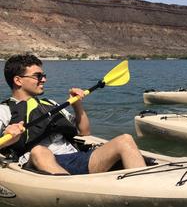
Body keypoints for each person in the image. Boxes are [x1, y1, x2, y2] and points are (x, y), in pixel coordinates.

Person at [0, 54, 146, 175]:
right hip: (39, 163)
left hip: (75, 158)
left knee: (125, 140)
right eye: (38, 76)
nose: (44, 79)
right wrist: (8, 138)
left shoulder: (50, 104)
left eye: (43, 75)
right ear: (18, 80)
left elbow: (84, 132)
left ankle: (144, 186)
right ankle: (75, 188)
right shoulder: (4, 110)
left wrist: (77, 104)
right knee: (39, 151)